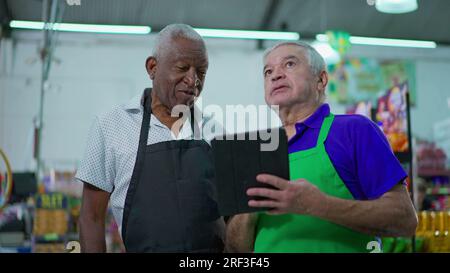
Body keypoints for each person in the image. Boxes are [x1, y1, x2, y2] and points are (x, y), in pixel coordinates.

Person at [225, 42, 418, 253]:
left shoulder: (355, 130)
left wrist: (319, 205)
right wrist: (248, 210)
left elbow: (404, 219)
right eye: (268, 71)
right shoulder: (256, 150)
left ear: (321, 79)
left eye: (289, 64)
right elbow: (236, 251)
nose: (275, 75)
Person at [76, 24, 225, 253]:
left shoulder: (215, 132)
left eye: (201, 72)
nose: (193, 80)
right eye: (183, 68)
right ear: (152, 67)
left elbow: (234, 218)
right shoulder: (111, 126)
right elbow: (91, 217)